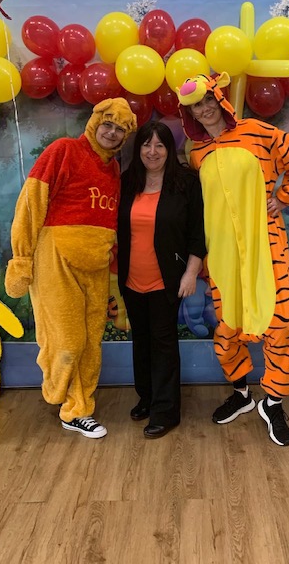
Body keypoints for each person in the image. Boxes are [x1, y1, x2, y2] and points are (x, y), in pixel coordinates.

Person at [177, 73, 289, 446]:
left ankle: (273, 403)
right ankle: (242, 394)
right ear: (190, 113)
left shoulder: (257, 132)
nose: (204, 109)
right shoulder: (197, 153)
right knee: (227, 329)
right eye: (196, 106)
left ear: (220, 99)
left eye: (208, 100)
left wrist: (285, 197)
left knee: (279, 325)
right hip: (222, 254)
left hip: (265, 246)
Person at [5, 98, 137, 439]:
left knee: (91, 343)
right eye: (107, 124)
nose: (112, 132)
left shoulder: (113, 170)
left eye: (120, 129)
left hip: (95, 267)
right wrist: (21, 259)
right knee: (67, 341)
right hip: (56, 260)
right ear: (94, 123)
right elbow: (31, 203)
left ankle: (80, 407)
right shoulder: (63, 150)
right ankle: (70, 403)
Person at [117, 121, 206, 439]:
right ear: (138, 149)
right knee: (141, 342)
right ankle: (148, 397)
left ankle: (166, 411)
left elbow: (198, 233)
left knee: (164, 344)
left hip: (166, 280)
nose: (152, 152)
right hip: (131, 279)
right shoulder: (127, 182)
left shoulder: (185, 183)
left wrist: (191, 273)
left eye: (159, 145)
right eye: (146, 144)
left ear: (169, 150)